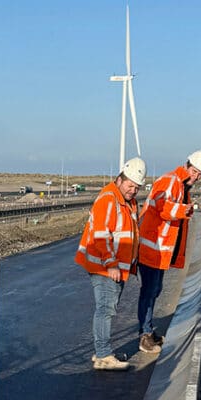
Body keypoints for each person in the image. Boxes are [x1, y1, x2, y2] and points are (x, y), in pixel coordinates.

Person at [135, 149, 201, 353]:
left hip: (160, 249)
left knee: (155, 290)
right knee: (149, 291)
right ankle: (144, 335)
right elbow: (163, 207)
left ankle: (148, 329)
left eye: (200, 174)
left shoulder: (180, 185)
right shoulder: (172, 182)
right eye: (194, 171)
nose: (196, 177)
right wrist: (182, 210)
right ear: (186, 165)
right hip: (152, 247)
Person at [75, 157, 146, 371]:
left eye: (136, 187)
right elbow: (101, 235)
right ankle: (103, 355)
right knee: (105, 309)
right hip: (105, 266)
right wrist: (111, 263)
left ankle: (103, 351)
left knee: (108, 308)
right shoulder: (109, 199)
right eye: (130, 185)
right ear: (119, 179)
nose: (133, 190)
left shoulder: (128, 201)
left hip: (115, 267)